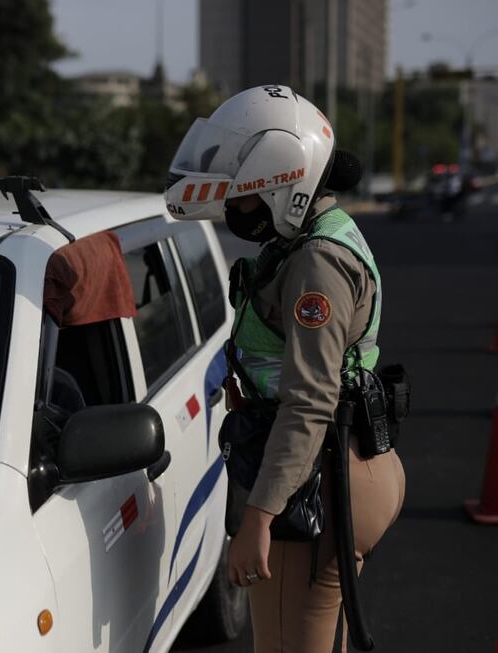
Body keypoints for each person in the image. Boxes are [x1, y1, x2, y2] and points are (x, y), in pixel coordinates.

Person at [164, 85, 406, 652]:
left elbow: (310, 402)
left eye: (241, 198)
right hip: (343, 466)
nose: (233, 211)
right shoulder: (314, 237)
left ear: (280, 182)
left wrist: (259, 516)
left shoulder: (316, 264)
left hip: (318, 482)